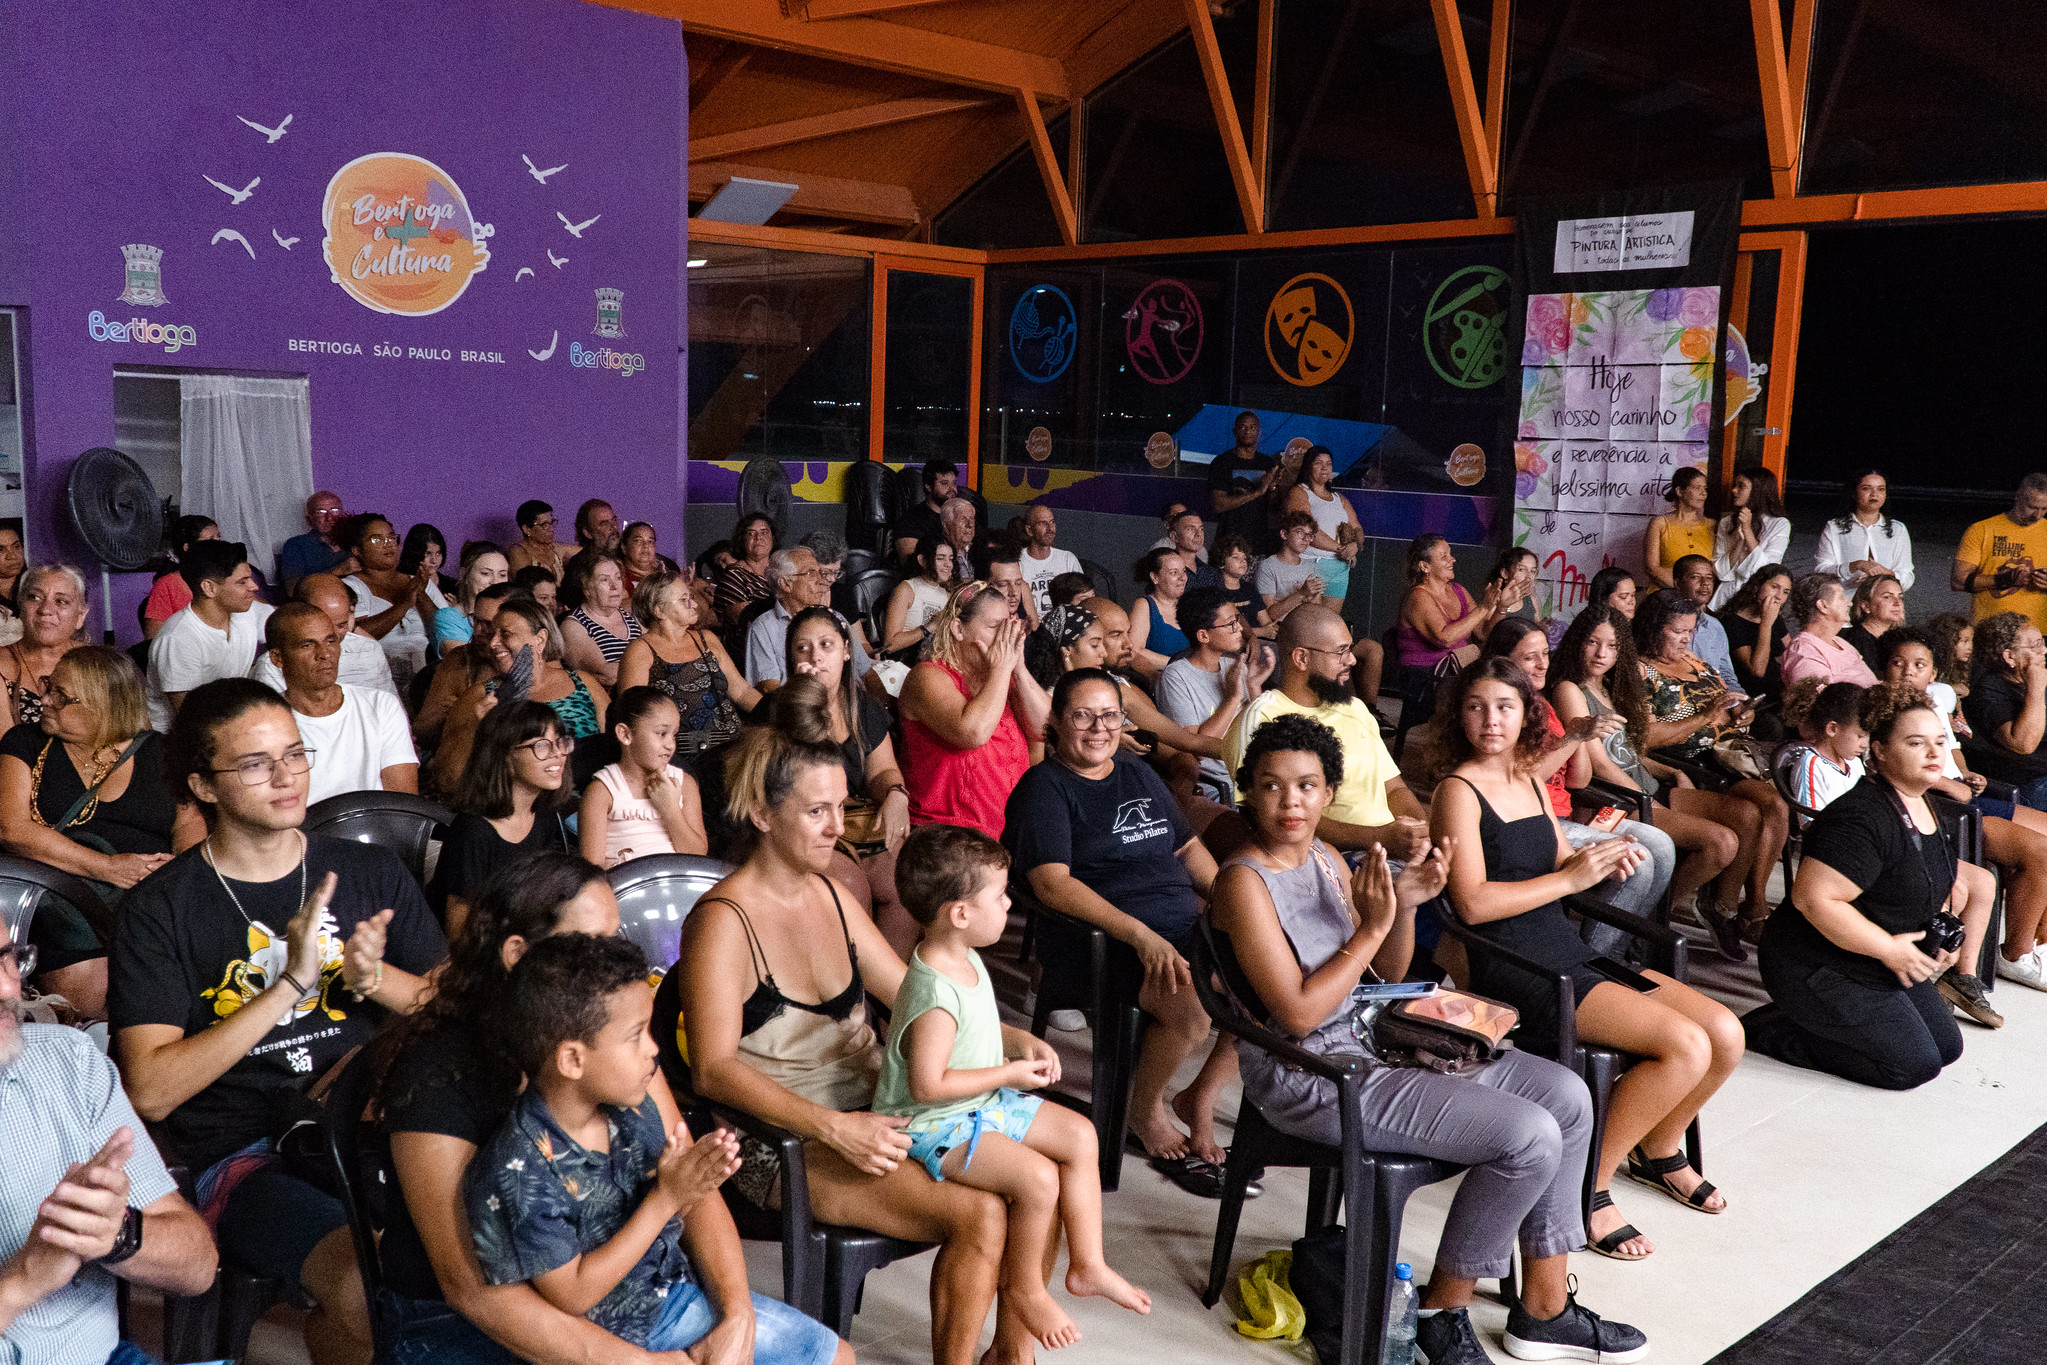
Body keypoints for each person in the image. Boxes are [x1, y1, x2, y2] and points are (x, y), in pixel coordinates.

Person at [1214, 713, 1646, 1364]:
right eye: (1272, 786)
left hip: (1373, 1036)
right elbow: (1299, 1015)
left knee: (1566, 1094)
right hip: (1314, 1069)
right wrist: (1368, 926)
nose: (1290, 800)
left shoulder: (1327, 858)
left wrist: (1405, 903)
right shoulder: (1243, 881)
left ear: (1328, 790)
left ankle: (1545, 1308)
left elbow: (1383, 975)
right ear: (1248, 790)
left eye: (1306, 785)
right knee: (1527, 1136)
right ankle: (1443, 1310)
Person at [672, 726, 1063, 1365]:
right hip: (789, 1141)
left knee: (1044, 1172)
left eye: (841, 805)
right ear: (763, 815)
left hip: (885, 1106)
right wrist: (833, 1128)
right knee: (983, 1214)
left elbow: (911, 988)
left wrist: (1010, 1038)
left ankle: (1011, 1354)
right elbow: (713, 1070)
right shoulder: (721, 921)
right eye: (817, 810)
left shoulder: (831, 891)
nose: (838, 825)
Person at [111, 678, 446, 1365]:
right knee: (363, 1287)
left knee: (494, 1245)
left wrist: (373, 978)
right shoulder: (160, 909)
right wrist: (288, 982)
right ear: (203, 784)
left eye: (295, 753)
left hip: (375, 1125)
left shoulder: (368, 871)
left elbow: (454, 1012)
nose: (288, 776)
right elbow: (150, 1088)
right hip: (245, 1153)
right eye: (257, 763)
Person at [375, 852, 792, 1365]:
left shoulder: (615, 1048)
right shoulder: (434, 1074)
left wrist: (737, 1315)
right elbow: (473, 1291)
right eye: (590, 943)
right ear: (516, 954)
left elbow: (690, 1183)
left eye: (616, 939)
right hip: (463, 1322)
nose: (612, 958)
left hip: (615, 1298)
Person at [1433, 658, 1741, 1261]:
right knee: (1685, 1045)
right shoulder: (1457, 790)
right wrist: (1571, 881)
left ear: (1527, 716)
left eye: (1504, 706)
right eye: (1476, 706)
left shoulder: (1525, 780)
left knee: (1725, 1033)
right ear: (1460, 715)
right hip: (1512, 961)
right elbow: (1470, 904)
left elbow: (1553, 864)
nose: (1490, 719)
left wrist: (1605, 858)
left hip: (1561, 947)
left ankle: (1658, 1149)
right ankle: (1587, 1187)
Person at [462, 932, 844, 1364]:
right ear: (572, 1060)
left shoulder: (631, 1109)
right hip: (620, 1332)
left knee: (835, 1356)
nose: (654, 1049)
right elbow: (572, 1294)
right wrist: (668, 1198)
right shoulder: (522, 1165)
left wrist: (690, 1181)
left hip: (668, 1293)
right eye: (635, 1036)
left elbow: (665, 1215)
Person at [877, 824, 1150, 1344]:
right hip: (934, 1125)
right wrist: (1009, 1074)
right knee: (1038, 1179)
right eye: (999, 897)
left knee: (1079, 1136)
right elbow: (929, 1085)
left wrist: (1018, 1040)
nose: (1009, 905)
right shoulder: (933, 987)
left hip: (980, 1102)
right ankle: (1025, 1290)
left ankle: (1088, 1264)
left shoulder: (964, 956)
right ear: (960, 913)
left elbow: (976, 1033)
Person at [1008, 670, 1249, 1189]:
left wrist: (1236, 902)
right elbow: (1051, 884)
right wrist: (1140, 935)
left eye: (1110, 715)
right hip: (1096, 943)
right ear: (1055, 722)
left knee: (1267, 980)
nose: (1099, 728)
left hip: (1178, 928)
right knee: (1191, 1006)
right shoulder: (1044, 789)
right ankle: (1145, 1109)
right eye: (1083, 715)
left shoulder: (1137, 774)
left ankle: (1199, 1098)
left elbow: (1186, 849)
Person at [0, 918, 218, 1365]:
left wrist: (117, 1235)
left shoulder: (69, 1063)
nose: (8, 988)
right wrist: (23, 1281)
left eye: (7, 957)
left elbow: (198, 1267)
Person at [1745, 685, 1983, 1089]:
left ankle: (1817, 1020)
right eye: (1916, 742)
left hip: (1873, 957)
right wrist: (1889, 949)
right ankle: (1771, 1031)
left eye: (1940, 741)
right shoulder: (1860, 817)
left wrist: (1938, 931)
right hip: (1815, 963)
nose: (1934, 753)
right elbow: (1813, 899)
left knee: (1946, 1048)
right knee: (1912, 1066)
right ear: (1880, 751)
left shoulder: (1924, 802)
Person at [0, 646, 200, 1018]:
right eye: (48, 687)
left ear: (103, 705)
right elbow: (13, 829)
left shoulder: (164, 753)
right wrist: (106, 867)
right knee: (90, 995)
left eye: (61, 696)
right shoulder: (25, 744)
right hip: (65, 900)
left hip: (150, 898)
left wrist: (171, 880)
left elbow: (190, 831)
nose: (45, 700)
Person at [1550, 605, 1747, 932]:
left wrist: (1669, 772)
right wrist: (1645, 797)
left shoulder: (1606, 686)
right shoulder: (1570, 690)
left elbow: (1626, 750)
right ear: (1576, 643)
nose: (1602, 653)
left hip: (1643, 786)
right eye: (1592, 642)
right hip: (1616, 799)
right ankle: (1650, 921)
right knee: (1721, 842)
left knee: (1744, 817)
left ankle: (1651, 916)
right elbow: (1599, 763)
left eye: (1612, 646)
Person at [1880, 627, 2047, 996]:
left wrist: (1966, 774)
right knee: (2040, 851)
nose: (1909, 671)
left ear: (1933, 674)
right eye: (1898, 663)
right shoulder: (1879, 709)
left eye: (1919, 664)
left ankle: (2038, 943)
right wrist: (1946, 783)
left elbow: (1952, 753)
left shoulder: (1934, 702)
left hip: (1964, 795)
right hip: (1941, 806)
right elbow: (1886, 771)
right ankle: (2016, 954)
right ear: (1884, 668)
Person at [1477, 619, 1675, 923]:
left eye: (1545, 653)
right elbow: (1523, 780)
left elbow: (1578, 779)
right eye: (1530, 658)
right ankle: (1598, 952)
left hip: (1561, 813)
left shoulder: (1543, 705)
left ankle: (1628, 945)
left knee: (1660, 844)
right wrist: (1573, 737)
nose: (1543, 664)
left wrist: (1580, 733)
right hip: (1534, 819)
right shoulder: (1503, 712)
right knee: (1641, 862)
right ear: (1504, 663)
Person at [1634, 591, 1789, 952]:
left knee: (1777, 806)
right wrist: (1704, 718)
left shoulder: (1692, 659)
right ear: (1654, 629)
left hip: (1727, 753)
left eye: (1690, 631)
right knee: (1754, 811)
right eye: (1678, 631)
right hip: (1690, 762)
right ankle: (1729, 908)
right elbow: (1645, 736)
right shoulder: (1641, 669)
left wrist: (1741, 712)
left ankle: (1740, 906)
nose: (1686, 639)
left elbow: (1724, 698)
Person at [1222, 606, 1428, 858]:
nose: (1352, 660)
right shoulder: (1263, 717)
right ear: (1301, 658)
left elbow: (1394, 788)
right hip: (1332, 856)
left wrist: (1422, 834)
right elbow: (1265, 818)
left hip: (1390, 846)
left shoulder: (1354, 708)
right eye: (1341, 652)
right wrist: (1379, 838)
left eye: (1350, 650)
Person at [772, 610, 910, 947]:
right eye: (802, 648)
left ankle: (892, 993)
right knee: (850, 885)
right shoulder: (778, 709)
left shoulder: (862, 707)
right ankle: (851, 994)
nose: (815, 656)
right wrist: (804, 700)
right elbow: (791, 780)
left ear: (846, 651)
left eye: (825, 645)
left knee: (903, 883)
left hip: (857, 819)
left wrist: (895, 794)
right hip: (805, 823)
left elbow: (882, 770)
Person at [899, 582, 1049, 842]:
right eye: (994, 628)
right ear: (958, 629)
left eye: (1008, 627)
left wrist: (1019, 669)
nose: (1005, 637)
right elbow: (972, 733)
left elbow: (1047, 728)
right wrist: (1002, 669)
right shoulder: (927, 677)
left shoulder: (1004, 678)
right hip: (949, 835)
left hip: (1010, 829)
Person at [433, 598, 610, 794]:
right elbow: (448, 778)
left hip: (592, 799)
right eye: (492, 635)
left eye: (505, 634)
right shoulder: (481, 696)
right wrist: (477, 725)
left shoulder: (583, 683)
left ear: (540, 640)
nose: (493, 643)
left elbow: (614, 749)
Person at [433, 700, 577, 937]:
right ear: (505, 756)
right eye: (541, 745)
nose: (558, 755)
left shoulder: (546, 816)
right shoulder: (472, 831)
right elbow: (460, 931)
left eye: (560, 742)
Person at [261, 603, 418, 803]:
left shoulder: (380, 706)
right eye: (307, 645)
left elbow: (402, 802)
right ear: (277, 657)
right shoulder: (265, 724)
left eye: (330, 641)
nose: (325, 654)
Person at [617, 571, 755, 761]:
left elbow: (742, 692)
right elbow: (633, 714)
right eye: (684, 599)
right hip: (684, 755)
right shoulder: (640, 651)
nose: (695, 604)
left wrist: (780, 711)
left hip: (733, 743)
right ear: (659, 610)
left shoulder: (706, 638)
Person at [1157, 589, 1272, 806]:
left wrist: (1255, 687)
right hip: (1220, 786)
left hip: (1256, 777)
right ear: (1203, 636)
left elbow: (1260, 730)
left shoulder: (1232, 666)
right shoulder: (1177, 676)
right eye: (1230, 624)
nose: (1239, 628)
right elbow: (1193, 750)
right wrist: (1233, 698)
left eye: (1237, 619)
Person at [145, 545, 272, 731]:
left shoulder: (246, 612)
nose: (254, 587)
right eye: (242, 582)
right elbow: (191, 718)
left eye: (250, 579)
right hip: (179, 741)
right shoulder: (178, 639)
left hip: (233, 724)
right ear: (209, 588)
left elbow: (291, 625)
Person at [579, 687, 707, 868]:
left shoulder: (684, 784)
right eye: (661, 733)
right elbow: (591, 873)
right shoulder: (602, 792)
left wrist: (671, 810)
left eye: (674, 735)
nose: (670, 745)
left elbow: (698, 856)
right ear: (625, 734)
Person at [745, 548, 870, 690]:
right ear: (786, 584)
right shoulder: (763, 628)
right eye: (811, 573)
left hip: (849, 705)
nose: (822, 581)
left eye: (820, 573)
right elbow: (770, 690)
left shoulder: (836, 618)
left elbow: (867, 673)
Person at [269, 573, 402, 701]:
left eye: (341, 625)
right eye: (325, 625)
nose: (334, 635)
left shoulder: (370, 649)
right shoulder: (275, 664)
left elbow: (390, 706)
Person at [1395, 534, 1496, 702]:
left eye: (1450, 554)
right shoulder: (1418, 596)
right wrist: (1484, 608)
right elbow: (1444, 638)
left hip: (1454, 671)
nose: (1453, 559)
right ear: (1425, 566)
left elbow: (1483, 633)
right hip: (1425, 676)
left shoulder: (1459, 590)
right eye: (1444, 556)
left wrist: (1501, 607)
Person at [1961, 611, 2047, 807]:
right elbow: (2023, 744)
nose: (2044, 651)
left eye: (2042, 642)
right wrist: (2036, 690)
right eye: (2035, 646)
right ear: (2010, 656)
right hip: (2029, 784)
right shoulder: (1988, 690)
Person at [340, 513, 434, 690]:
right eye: (377, 540)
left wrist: (420, 593)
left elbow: (443, 629)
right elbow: (356, 636)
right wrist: (404, 604)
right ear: (357, 551)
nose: (388, 543)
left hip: (427, 675)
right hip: (379, 679)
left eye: (392, 537)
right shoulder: (350, 586)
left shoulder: (417, 580)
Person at [3, 565, 92, 734]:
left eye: (61, 601)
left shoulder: (101, 664)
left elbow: (135, 740)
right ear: (20, 607)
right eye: (34, 597)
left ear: (81, 615)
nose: (45, 610)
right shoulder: (2, 665)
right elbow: (6, 748)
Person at [1954, 471, 2047, 632]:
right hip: (1990, 631)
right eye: (2032, 507)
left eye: (2044, 508)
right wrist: (2005, 579)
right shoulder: (1981, 530)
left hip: (2038, 634)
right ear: (2018, 497)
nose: (2037, 515)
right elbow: (1958, 581)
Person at [1284, 445, 1360, 610]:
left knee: (1330, 621)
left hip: (1339, 567)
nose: (1324, 467)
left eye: (1328, 463)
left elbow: (1357, 529)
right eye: (1318, 463)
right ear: (1308, 466)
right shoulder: (1299, 492)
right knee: (1308, 619)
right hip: (1312, 563)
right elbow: (1306, 529)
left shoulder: (1339, 498)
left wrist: (1355, 545)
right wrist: (1341, 549)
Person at [1816, 467, 1914, 591]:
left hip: (1883, 602)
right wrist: (1855, 566)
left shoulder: (1897, 529)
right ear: (1854, 493)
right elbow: (1821, 571)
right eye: (1866, 488)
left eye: (1881, 489)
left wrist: (1887, 575)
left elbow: (1907, 577)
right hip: (1844, 602)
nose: (1874, 494)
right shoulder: (1834, 527)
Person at [1709, 466, 1790, 610]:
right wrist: (1739, 543)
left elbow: (1767, 570)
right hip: (1723, 597)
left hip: (1755, 600)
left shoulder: (1779, 524)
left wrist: (1747, 531)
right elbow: (1720, 571)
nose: (1734, 490)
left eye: (1741, 486)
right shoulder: (1727, 522)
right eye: (1735, 485)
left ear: (1757, 490)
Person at [1779, 680, 1868, 811]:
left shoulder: (1855, 763)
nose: (1865, 745)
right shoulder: (1812, 766)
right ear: (1832, 729)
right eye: (1860, 736)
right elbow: (1812, 823)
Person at [560, 553, 642, 691]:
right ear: (587, 588)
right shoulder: (573, 626)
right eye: (604, 580)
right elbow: (607, 674)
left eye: (618, 578)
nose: (615, 586)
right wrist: (650, 663)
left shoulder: (629, 616)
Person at [1781, 572, 1878, 688]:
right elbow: (1819, 703)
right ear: (1823, 605)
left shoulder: (1841, 643)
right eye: (1842, 597)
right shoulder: (1804, 653)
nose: (1850, 603)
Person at [1207, 410, 1281, 552]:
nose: (1248, 431)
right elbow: (1219, 504)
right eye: (1243, 427)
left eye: (1252, 427)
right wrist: (1258, 492)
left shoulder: (1267, 463)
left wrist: (1272, 488)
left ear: (1259, 432)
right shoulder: (1222, 463)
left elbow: (1274, 507)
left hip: (1260, 545)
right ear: (1235, 431)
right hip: (1229, 544)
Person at [1716, 563, 1791, 699]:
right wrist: (1766, 624)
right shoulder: (1731, 622)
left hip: (1778, 691)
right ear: (1757, 587)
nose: (1779, 596)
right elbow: (1757, 671)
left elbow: (1790, 653)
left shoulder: (1776, 617)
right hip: (1752, 696)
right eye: (1774, 587)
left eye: (1785, 592)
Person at [141, 514, 221, 639]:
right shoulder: (166, 586)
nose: (219, 546)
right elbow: (154, 640)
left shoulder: (225, 578)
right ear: (187, 548)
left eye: (218, 538)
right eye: (210, 540)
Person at [1671, 555, 1739, 690]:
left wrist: (1738, 700)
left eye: (1709, 578)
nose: (1705, 583)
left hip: (1718, 698)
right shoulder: (1665, 625)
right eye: (1695, 577)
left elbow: (1726, 674)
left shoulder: (1714, 626)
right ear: (1677, 583)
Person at [1254, 512, 1329, 633]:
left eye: (1309, 535)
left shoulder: (1310, 565)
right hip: (1283, 629)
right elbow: (1270, 614)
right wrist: (1300, 594)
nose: (1305, 539)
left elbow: (1315, 608)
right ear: (1284, 534)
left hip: (1306, 627)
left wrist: (1312, 600)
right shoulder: (1268, 566)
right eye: (1299, 532)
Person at [882, 538, 955, 659]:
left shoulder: (948, 595)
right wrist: (928, 628)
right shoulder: (906, 589)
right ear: (922, 560)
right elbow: (890, 645)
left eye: (951, 558)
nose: (948, 564)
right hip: (906, 662)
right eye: (940, 558)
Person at [1643, 466, 1713, 591]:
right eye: (1697, 488)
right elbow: (1651, 568)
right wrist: (1684, 591)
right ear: (1680, 491)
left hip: (1699, 600)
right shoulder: (1660, 523)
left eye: (1705, 488)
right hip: (1664, 596)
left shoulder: (1712, 526)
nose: (1703, 493)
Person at [434, 542, 510, 654]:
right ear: (464, 575)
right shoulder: (449, 617)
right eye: (485, 573)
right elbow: (465, 662)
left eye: (502, 575)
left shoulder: (515, 615)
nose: (495, 582)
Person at [1128, 547, 1190, 679]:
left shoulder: (1188, 605)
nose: (1182, 578)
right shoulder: (1144, 605)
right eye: (1174, 572)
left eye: (1183, 571)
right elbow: (1134, 650)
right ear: (1155, 577)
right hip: (1164, 679)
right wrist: (1180, 666)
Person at [278, 491, 351, 592]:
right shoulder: (297, 544)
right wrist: (337, 571)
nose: (330, 518)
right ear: (309, 520)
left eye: (335, 510)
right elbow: (292, 588)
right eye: (320, 512)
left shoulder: (354, 540)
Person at [1015, 505, 1079, 617]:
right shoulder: (1017, 562)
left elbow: (1083, 597)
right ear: (1029, 530)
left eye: (1052, 522)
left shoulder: (1068, 559)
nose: (1050, 528)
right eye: (1043, 523)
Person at [398, 524, 457, 645]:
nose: (434, 560)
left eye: (438, 553)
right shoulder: (401, 581)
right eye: (428, 553)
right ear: (414, 553)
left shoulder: (453, 585)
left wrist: (457, 610)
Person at [894, 459, 958, 564]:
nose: (952, 489)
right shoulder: (911, 520)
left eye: (954, 483)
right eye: (944, 483)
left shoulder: (961, 516)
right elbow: (909, 563)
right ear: (928, 486)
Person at [1841, 572, 1906, 675]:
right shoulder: (1849, 640)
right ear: (1866, 606)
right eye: (1887, 597)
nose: (1897, 603)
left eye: (1900, 597)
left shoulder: (1904, 640)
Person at [1210, 534, 1270, 637]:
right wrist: (1261, 632)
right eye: (1235, 557)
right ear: (1221, 562)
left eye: (1244, 558)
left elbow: (1266, 622)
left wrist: (1271, 629)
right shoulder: (1215, 590)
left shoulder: (1250, 589)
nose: (1242, 561)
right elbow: (1223, 631)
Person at [506, 500, 576, 581]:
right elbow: (525, 585)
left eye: (552, 522)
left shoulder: (556, 550)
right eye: (544, 525)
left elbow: (587, 552)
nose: (551, 529)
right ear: (527, 529)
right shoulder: (518, 552)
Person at [618, 521, 677, 600]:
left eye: (650, 542)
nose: (646, 546)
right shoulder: (618, 579)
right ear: (624, 547)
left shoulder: (666, 575)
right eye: (638, 541)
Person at [984, 546, 1039, 630]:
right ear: (986, 586)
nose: (1014, 593)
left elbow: (1038, 632)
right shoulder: (977, 619)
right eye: (1003, 584)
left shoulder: (1024, 589)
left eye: (1018, 583)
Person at [1159, 509, 1215, 589]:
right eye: (1190, 529)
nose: (1198, 534)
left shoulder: (1210, 572)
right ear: (1174, 537)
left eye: (1201, 529)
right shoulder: (1167, 572)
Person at [1483, 547, 1539, 624]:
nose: (1529, 576)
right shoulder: (1492, 602)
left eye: (1533, 571)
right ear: (1505, 573)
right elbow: (1487, 634)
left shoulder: (1531, 601)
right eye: (1521, 569)